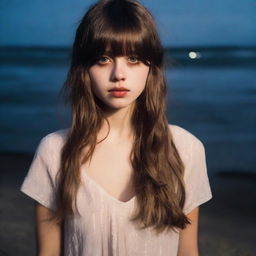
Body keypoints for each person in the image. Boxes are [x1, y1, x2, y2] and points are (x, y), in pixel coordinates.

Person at [20, 0, 212, 255]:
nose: (118, 73)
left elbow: (188, 252)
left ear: (151, 67)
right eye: (103, 58)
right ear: (84, 69)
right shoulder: (55, 152)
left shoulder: (185, 149)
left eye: (133, 58)